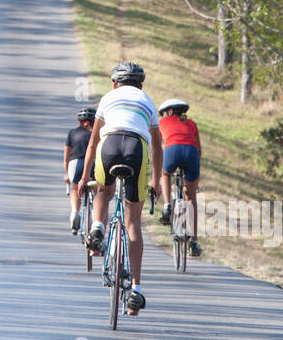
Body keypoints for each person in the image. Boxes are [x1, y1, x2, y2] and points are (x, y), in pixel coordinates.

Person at [78, 62, 163, 314]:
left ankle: (98, 228)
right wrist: (156, 181)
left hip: (110, 144)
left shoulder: (108, 98)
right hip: (137, 148)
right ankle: (136, 289)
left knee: (103, 191)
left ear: (114, 84)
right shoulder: (147, 101)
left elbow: (92, 145)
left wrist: (84, 178)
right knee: (133, 221)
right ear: (141, 85)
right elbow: (158, 147)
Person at [157, 99, 202, 257]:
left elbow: (158, 146)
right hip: (191, 153)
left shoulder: (161, 123)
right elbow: (199, 149)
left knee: (165, 174)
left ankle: (168, 205)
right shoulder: (191, 123)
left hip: (172, 150)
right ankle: (194, 241)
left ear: (168, 112)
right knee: (191, 198)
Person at [64, 108, 96, 233]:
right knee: (98, 190)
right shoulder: (97, 133)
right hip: (93, 163)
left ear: (79, 122)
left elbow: (66, 156)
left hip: (75, 163)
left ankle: (75, 212)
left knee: (75, 188)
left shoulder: (72, 133)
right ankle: (95, 218)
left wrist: (67, 174)